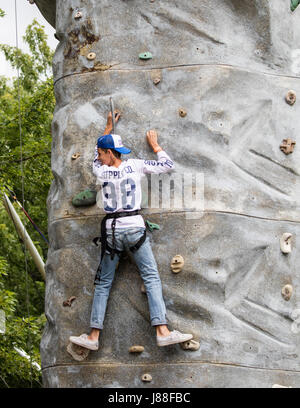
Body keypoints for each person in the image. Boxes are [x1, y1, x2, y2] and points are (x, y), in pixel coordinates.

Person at [69, 111, 193, 350]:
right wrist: (155, 146)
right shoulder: (135, 165)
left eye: (101, 152)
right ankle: (162, 331)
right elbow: (167, 165)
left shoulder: (100, 170)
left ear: (107, 153)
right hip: (135, 228)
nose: (99, 156)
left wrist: (106, 127)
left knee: (104, 283)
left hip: (112, 232)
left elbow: (95, 155)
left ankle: (94, 337)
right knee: (151, 277)